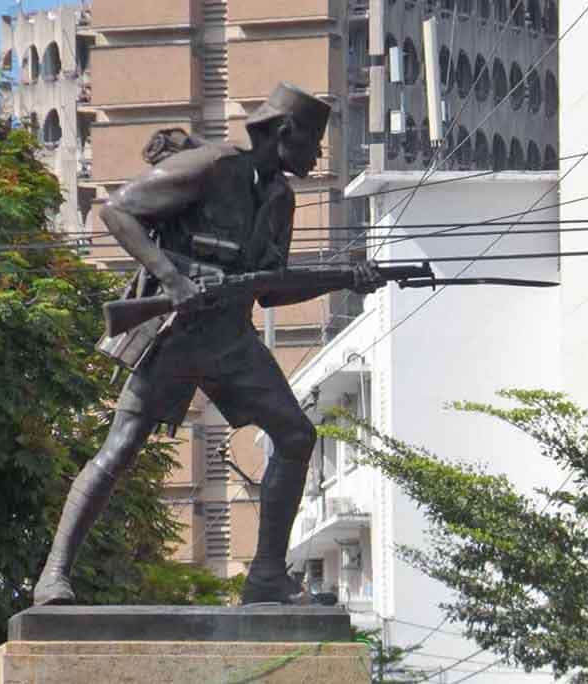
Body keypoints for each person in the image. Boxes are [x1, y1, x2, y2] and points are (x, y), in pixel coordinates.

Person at [33, 82, 377, 606]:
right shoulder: (213, 166)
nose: (316, 156)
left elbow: (269, 290)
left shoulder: (279, 198)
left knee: (296, 435)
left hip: (231, 340)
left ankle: (265, 576)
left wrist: (345, 277)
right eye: (313, 143)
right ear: (285, 133)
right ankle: (53, 575)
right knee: (120, 448)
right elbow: (118, 212)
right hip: (177, 335)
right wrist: (171, 278)